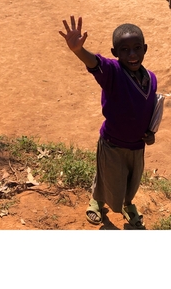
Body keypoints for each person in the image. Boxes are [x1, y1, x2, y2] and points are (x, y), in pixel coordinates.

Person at [59, 15, 157, 229]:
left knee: (131, 180)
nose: (132, 55)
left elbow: (149, 109)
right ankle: (97, 200)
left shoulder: (151, 78)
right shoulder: (113, 73)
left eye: (137, 48)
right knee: (108, 177)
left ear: (145, 49)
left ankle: (127, 203)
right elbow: (96, 63)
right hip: (112, 142)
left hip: (137, 145)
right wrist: (78, 51)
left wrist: (150, 133)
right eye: (124, 50)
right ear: (115, 53)